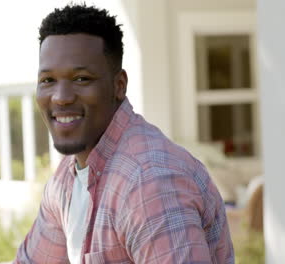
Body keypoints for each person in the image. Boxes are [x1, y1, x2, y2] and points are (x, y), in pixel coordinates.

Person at [14, 4, 234, 264]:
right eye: (48, 80)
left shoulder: (148, 182)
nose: (61, 98)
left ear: (119, 86)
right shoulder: (67, 180)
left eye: (81, 79)